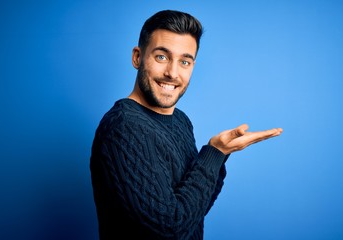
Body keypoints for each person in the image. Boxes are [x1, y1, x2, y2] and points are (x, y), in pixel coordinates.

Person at [90, 9, 283, 240]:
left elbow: (193, 212)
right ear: (137, 57)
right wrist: (214, 153)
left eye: (184, 61)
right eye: (161, 57)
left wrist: (218, 155)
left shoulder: (180, 120)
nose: (172, 73)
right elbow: (171, 228)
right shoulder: (123, 128)